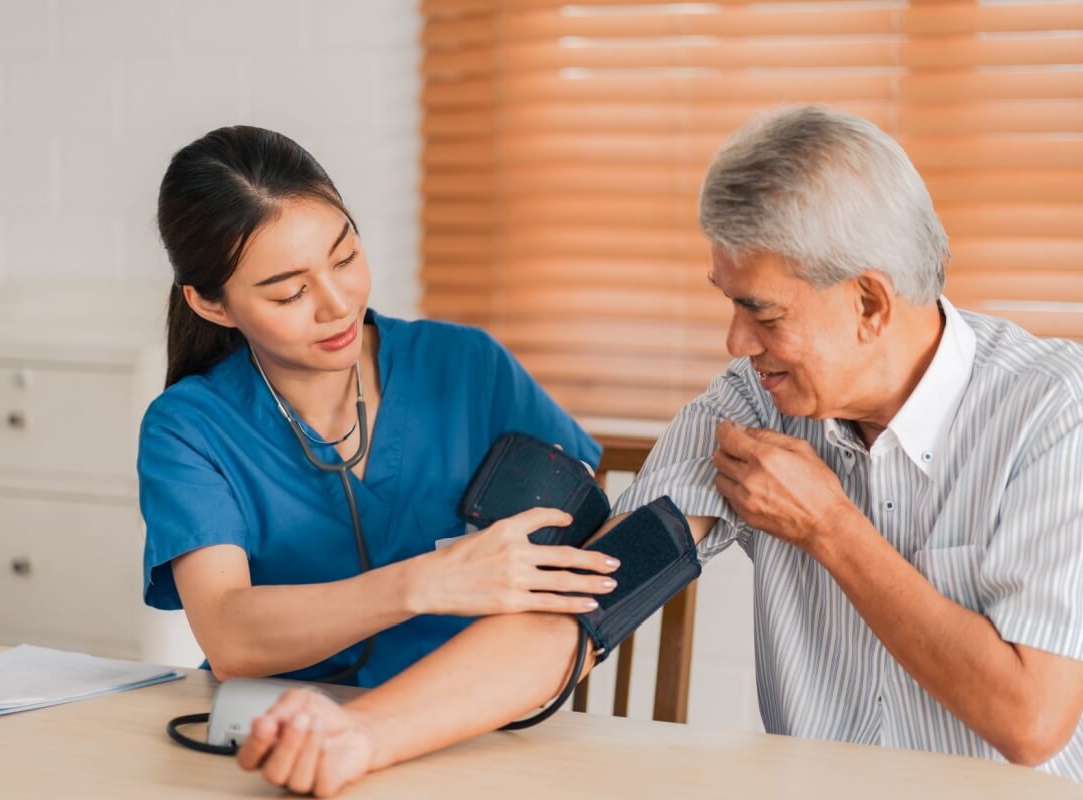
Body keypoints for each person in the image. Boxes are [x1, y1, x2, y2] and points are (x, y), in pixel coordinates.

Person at [233, 106, 1083, 795]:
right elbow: (583, 607)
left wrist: (833, 528)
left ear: (869, 302)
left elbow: (1030, 719)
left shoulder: (1053, 413)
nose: (734, 340)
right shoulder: (751, 411)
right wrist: (363, 734)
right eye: (728, 303)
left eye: (764, 312)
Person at [137, 126, 621, 689]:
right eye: (289, 293)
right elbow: (230, 637)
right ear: (212, 305)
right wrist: (427, 582)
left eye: (345, 258)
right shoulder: (190, 429)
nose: (338, 305)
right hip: (280, 728)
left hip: (465, 717)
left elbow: (582, 536)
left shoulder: (466, 366)